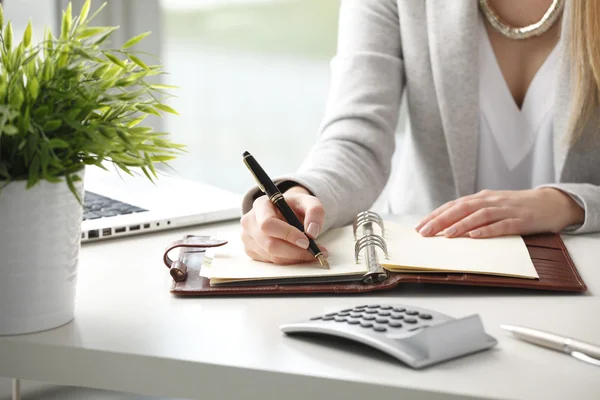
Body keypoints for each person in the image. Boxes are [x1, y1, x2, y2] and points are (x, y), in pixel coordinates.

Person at [240, 0, 600, 265]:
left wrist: (568, 204)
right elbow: (357, 136)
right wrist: (302, 194)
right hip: (425, 268)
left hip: (584, 283)